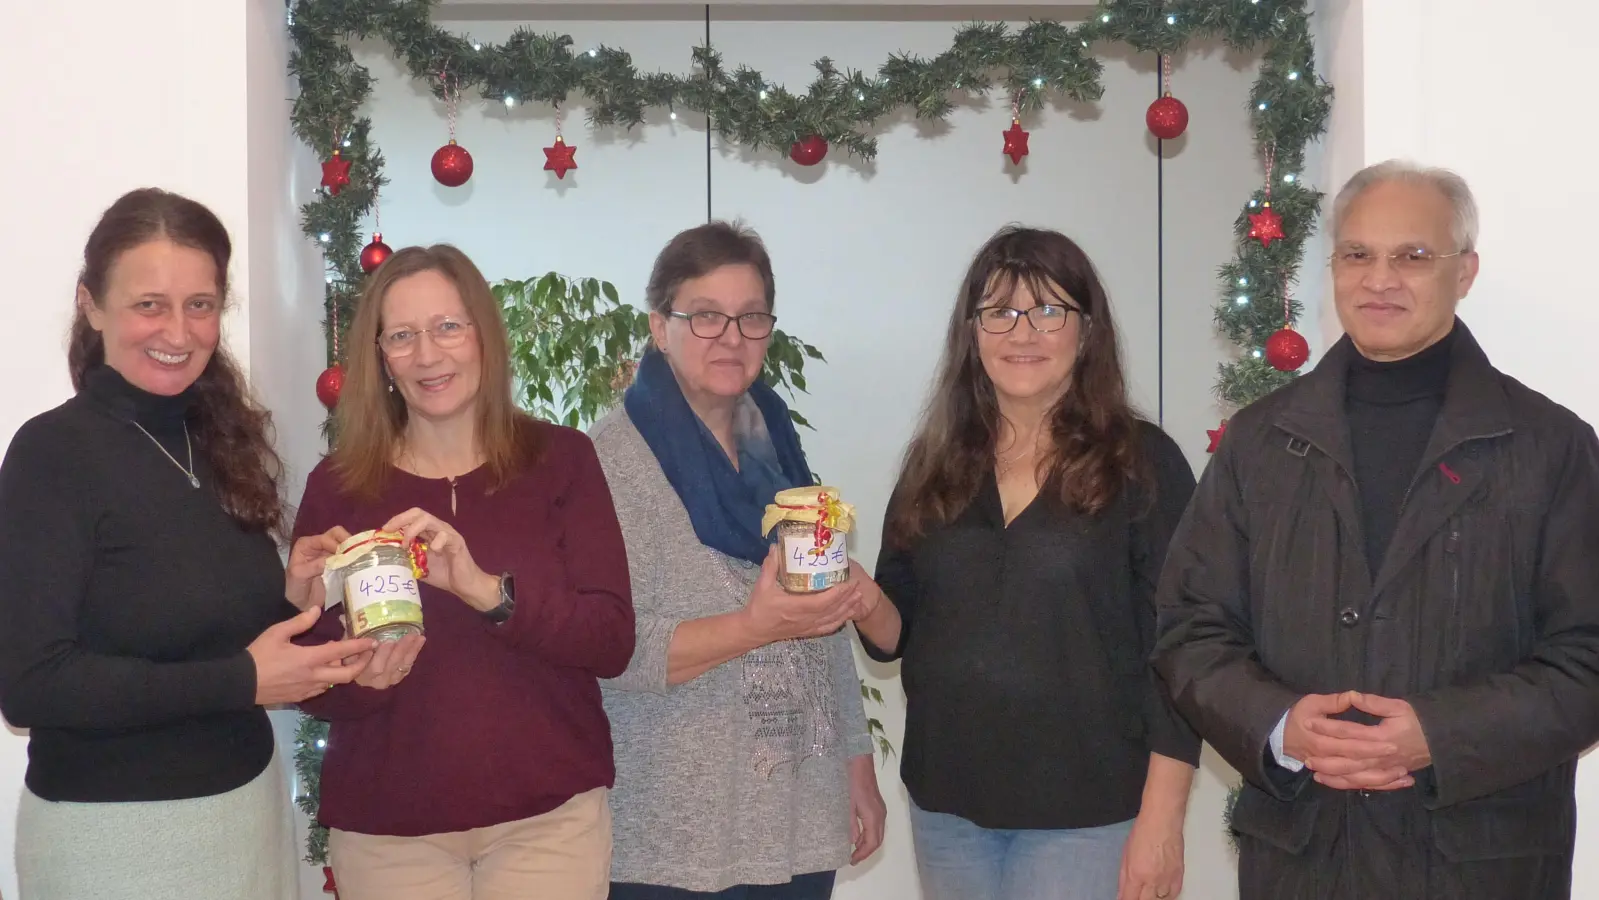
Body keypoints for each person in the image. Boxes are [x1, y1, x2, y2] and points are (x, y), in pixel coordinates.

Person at [1153, 160, 1599, 899]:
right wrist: (1278, 724)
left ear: (1465, 271)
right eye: (1357, 254)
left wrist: (1441, 733)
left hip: (1483, 864)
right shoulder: (1260, 443)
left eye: (1412, 256)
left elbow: (1588, 656)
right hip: (1304, 858)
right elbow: (1189, 630)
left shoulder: (1549, 447)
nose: (1379, 279)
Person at [0, 188, 374, 899]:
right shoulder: (52, 453)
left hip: (245, 819)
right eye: (149, 304)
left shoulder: (217, 438)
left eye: (200, 304)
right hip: (110, 840)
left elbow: (209, 635)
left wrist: (291, 595)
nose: (178, 329)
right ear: (91, 304)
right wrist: (243, 680)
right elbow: (30, 684)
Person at [850, 225, 1200, 900]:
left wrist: (1162, 821)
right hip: (947, 802)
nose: (1022, 332)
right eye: (999, 311)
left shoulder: (1142, 462)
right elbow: (898, 636)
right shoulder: (934, 462)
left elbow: (1181, 654)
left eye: (1048, 310)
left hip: (1087, 814)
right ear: (971, 331)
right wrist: (856, 594)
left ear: (1086, 329)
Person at [290, 244, 635, 900]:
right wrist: (362, 679)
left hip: (547, 823)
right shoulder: (336, 488)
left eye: (448, 326)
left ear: (484, 335)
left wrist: (487, 593)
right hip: (388, 832)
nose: (428, 355)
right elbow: (308, 680)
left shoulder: (562, 460)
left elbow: (611, 638)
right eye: (402, 336)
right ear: (381, 361)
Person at [591, 221, 886, 899]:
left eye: (750, 317)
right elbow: (610, 652)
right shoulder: (606, 464)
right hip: (670, 834)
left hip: (798, 812)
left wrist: (854, 761)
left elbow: (826, 615)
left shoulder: (778, 446)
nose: (730, 336)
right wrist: (755, 626)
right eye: (704, 316)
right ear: (658, 327)